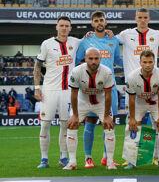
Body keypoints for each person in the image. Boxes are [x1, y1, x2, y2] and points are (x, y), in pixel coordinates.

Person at [117, 8, 159, 166]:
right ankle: (130, 158)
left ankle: (156, 157)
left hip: (153, 87)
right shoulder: (125, 34)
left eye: (145, 17)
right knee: (132, 124)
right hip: (133, 87)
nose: (142, 20)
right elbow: (110, 40)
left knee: (158, 125)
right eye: (140, 17)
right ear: (135, 18)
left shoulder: (158, 35)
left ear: (149, 18)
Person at [75, 11, 123, 168]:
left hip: (110, 87)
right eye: (96, 20)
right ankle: (88, 157)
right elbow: (76, 60)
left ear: (106, 22)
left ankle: (106, 157)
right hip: (90, 89)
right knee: (90, 122)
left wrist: (136, 65)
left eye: (101, 20)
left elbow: (117, 60)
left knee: (109, 123)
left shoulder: (113, 40)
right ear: (92, 24)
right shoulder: (86, 40)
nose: (99, 23)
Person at [34, 16, 81, 168]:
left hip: (67, 91)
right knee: (45, 124)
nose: (64, 28)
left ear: (70, 28)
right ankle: (44, 158)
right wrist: (37, 88)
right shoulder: (47, 44)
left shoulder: (75, 42)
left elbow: (91, 39)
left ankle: (63, 157)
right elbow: (37, 67)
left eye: (67, 26)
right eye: (61, 25)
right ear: (56, 27)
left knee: (65, 124)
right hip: (49, 90)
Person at [64, 48, 116, 170]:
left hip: (101, 103)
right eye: (90, 58)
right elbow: (74, 94)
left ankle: (110, 162)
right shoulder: (76, 71)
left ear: (100, 59)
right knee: (72, 125)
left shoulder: (107, 72)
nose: (93, 61)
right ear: (85, 59)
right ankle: (72, 162)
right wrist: (75, 115)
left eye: (96, 58)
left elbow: (108, 94)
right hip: (82, 102)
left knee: (109, 126)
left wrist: (107, 116)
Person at [124, 50, 159, 169]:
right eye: (145, 62)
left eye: (150, 62)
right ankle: (131, 161)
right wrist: (132, 118)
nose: (148, 65)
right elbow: (131, 99)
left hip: (155, 101)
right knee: (132, 127)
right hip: (139, 101)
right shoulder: (132, 76)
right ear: (140, 63)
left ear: (154, 62)